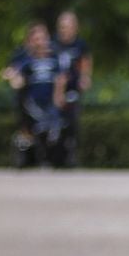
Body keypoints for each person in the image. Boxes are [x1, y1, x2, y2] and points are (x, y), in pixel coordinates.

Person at [4, 22, 66, 169]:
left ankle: (48, 160)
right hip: (31, 102)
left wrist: (59, 96)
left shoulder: (54, 58)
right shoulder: (25, 58)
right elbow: (13, 73)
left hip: (49, 101)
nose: (40, 42)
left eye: (43, 38)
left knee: (51, 129)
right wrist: (14, 79)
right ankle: (25, 159)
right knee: (31, 130)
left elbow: (60, 79)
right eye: (36, 39)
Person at [54, 10, 91, 168]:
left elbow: (85, 62)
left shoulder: (80, 44)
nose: (66, 30)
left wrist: (85, 77)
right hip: (55, 89)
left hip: (72, 88)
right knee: (55, 121)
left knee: (72, 121)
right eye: (63, 26)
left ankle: (71, 155)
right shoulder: (53, 44)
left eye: (69, 26)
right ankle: (55, 155)